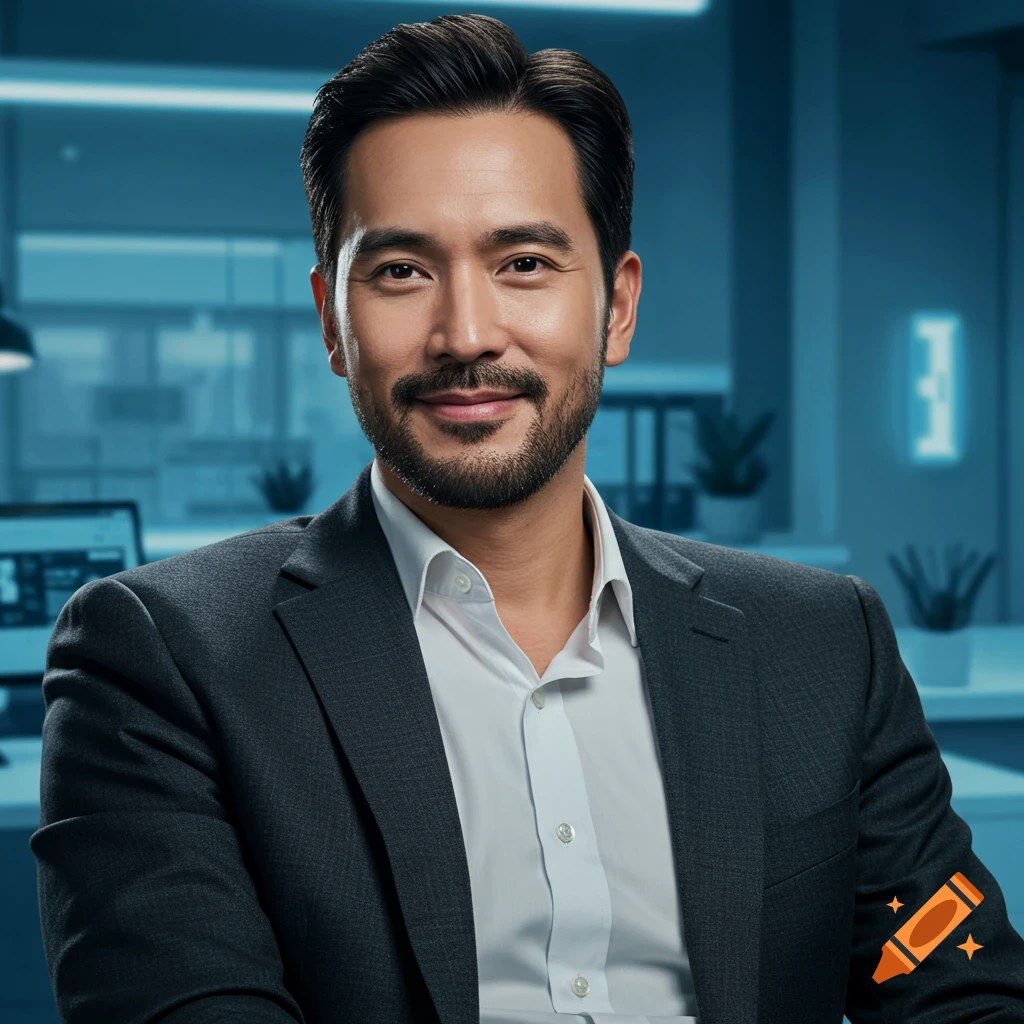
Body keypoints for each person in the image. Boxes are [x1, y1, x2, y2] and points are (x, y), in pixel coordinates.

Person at [31, 13, 1024, 1024]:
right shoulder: (162, 658)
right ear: (333, 319)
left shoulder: (818, 643)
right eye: (401, 271)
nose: (466, 334)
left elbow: (960, 992)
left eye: (526, 264)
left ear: (618, 308)